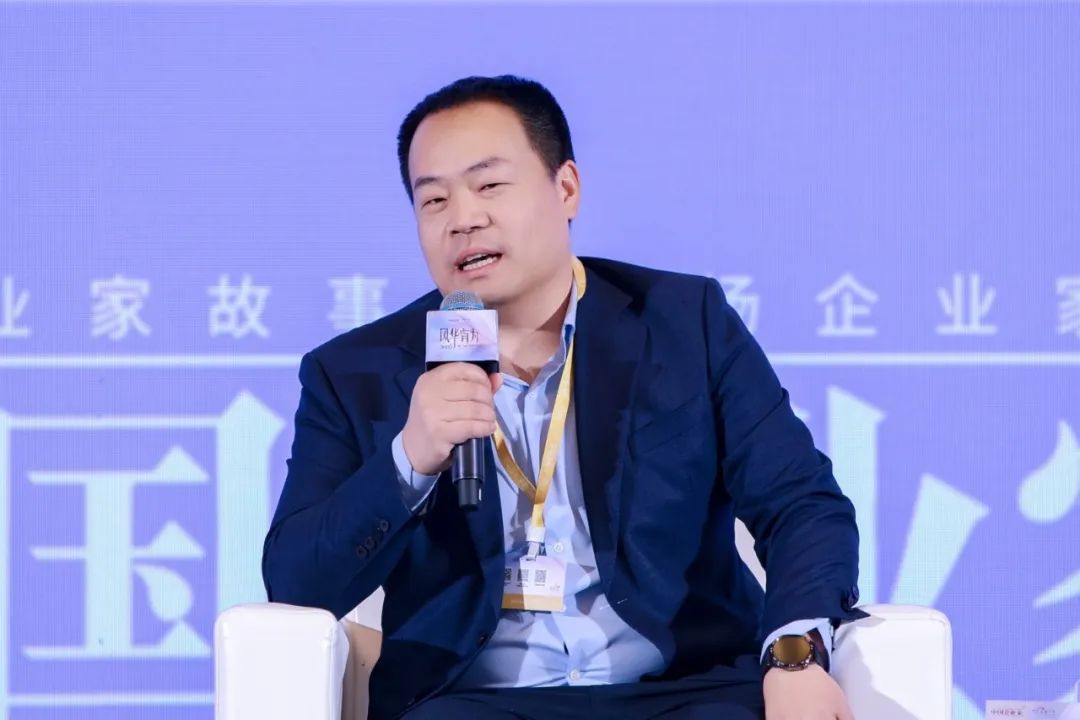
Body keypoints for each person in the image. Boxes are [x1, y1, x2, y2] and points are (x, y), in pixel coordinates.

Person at [262, 75, 864, 720]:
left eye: (490, 185)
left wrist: (795, 656)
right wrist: (410, 457)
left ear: (566, 187)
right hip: (472, 704)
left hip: (683, 693)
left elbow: (801, 504)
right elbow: (297, 582)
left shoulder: (685, 323)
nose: (463, 219)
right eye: (433, 200)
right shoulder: (353, 372)